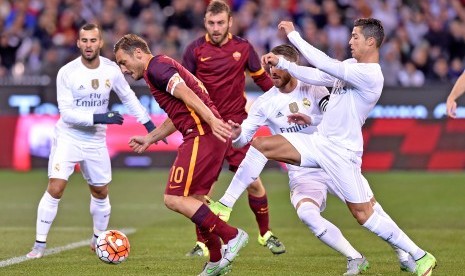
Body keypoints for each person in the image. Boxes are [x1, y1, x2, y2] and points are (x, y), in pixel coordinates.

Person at [234, 19, 437, 276]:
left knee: (365, 213)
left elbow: (324, 64)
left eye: (355, 37)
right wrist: (284, 64)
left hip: (342, 152)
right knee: (263, 145)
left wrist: (294, 36)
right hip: (321, 143)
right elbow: (317, 75)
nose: (350, 41)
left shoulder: (369, 74)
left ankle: (418, 255)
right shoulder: (352, 65)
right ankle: (226, 203)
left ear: (370, 42)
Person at [113, 33, 248, 276]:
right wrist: (150, 137)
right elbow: (179, 113)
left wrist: (210, 120)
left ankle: (232, 235)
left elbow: (186, 93)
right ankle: (216, 260)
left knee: (174, 198)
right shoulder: (159, 67)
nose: (123, 69)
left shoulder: (157, 67)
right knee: (195, 200)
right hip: (208, 134)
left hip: (201, 135)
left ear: (138, 53)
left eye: (123, 62)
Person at [26, 23, 159, 259]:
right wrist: (100, 116)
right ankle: (39, 245)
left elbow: (128, 97)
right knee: (56, 188)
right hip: (69, 136)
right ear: (78, 43)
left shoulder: (111, 70)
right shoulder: (67, 72)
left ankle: (98, 240)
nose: (88, 45)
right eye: (84, 40)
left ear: (100, 43)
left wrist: (149, 125)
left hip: (96, 140)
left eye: (93, 40)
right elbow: (66, 113)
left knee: (100, 191)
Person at [181, 0, 285, 257]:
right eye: (211, 23)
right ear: (205, 23)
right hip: (208, 128)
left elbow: (261, 78)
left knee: (254, 184)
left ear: (230, 23)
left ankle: (265, 234)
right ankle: (203, 243)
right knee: (200, 191)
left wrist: (283, 99)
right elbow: (184, 89)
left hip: (238, 127)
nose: (215, 28)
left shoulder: (243, 47)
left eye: (220, 23)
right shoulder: (194, 50)